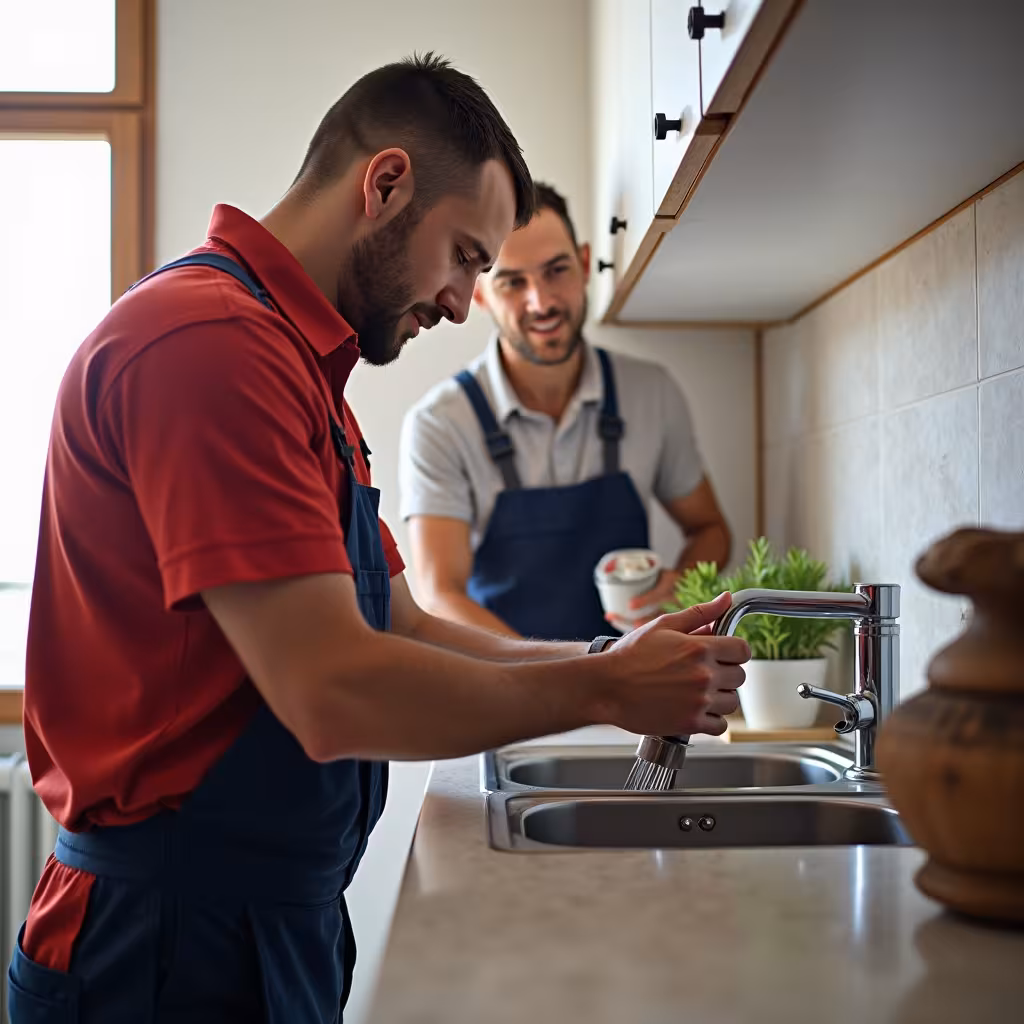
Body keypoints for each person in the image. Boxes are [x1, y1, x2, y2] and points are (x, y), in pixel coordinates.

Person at [10, 57, 748, 1024]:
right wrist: (604, 687)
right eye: (467, 258)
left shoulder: (298, 366)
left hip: (263, 926)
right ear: (386, 184)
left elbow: (398, 622)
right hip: (158, 948)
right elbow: (333, 690)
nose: (457, 303)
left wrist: (610, 661)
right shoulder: (207, 346)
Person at [399, 183, 731, 641]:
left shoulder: (651, 393)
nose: (542, 301)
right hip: (504, 696)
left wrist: (682, 588)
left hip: (634, 691)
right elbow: (440, 594)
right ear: (479, 294)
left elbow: (710, 529)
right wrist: (561, 679)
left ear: (585, 262)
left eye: (557, 270)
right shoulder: (440, 424)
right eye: (513, 282)